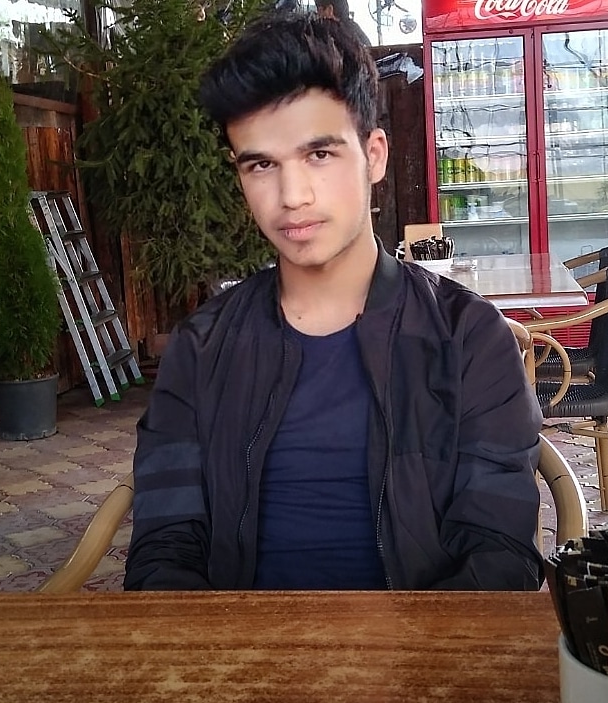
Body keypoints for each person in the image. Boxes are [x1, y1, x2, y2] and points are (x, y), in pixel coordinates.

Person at [124, 12, 544, 592]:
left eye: (319, 155)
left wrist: (401, 647)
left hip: (421, 644)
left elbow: (499, 556)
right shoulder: (201, 347)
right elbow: (164, 549)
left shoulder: (468, 338)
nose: (292, 196)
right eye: (262, 165)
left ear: (375, 155)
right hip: (237, 643)